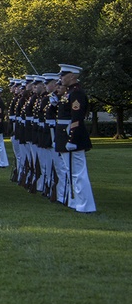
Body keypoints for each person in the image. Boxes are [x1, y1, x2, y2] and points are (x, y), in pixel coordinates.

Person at [59, 63, 95, 213]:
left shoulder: (77, 93)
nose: (60, 77)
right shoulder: (69, 93)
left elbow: (77, 118)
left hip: (74, 138)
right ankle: (76, 202)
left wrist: (72, 139)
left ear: (72, 76)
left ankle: (85, 205)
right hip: (68, 136)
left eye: (63, 75)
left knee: (78, 173)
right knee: (72, 172)